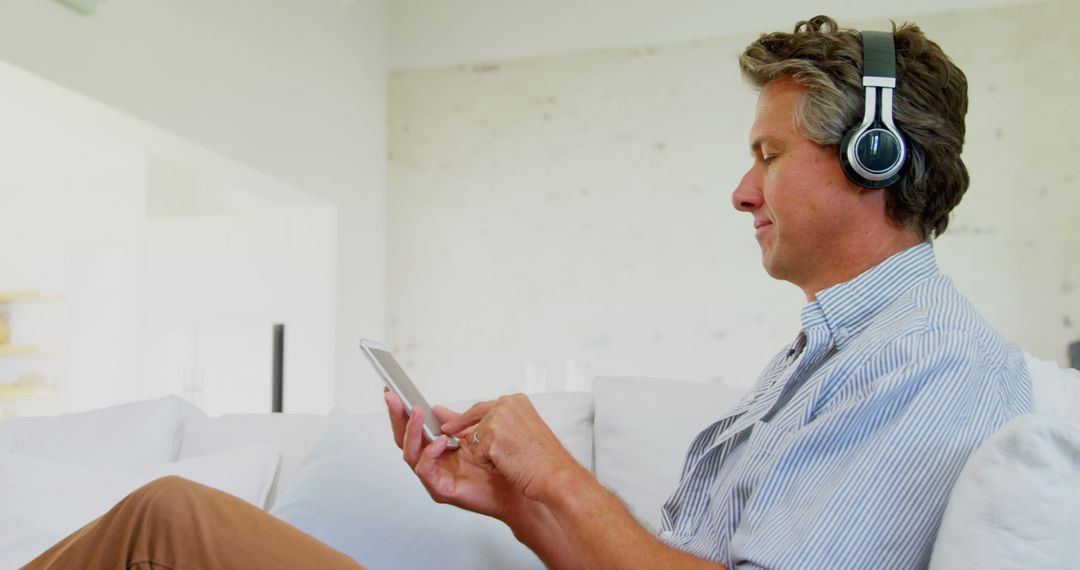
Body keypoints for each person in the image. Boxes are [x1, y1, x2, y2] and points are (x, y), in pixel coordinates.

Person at [26, 14, 1031, 570]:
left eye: (767, 156)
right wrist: (513, 502)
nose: (740, 190)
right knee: (169, 522)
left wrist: (559, 479)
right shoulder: (841, 353)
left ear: (874, 153)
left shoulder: (929, 361)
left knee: (171, 525)